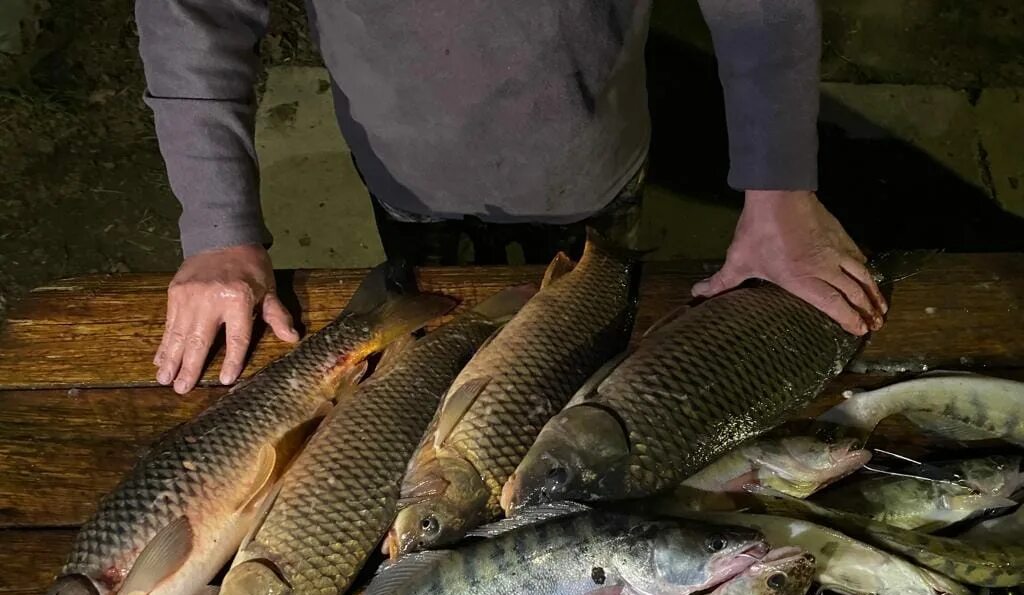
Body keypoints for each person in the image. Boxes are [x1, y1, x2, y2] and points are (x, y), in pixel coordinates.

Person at [137, 0, 887, 395]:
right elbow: (193, 12)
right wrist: (217, 227)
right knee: (432, 317)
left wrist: (781, 185)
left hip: (593, 164)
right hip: (403, 172)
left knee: (590, 338)